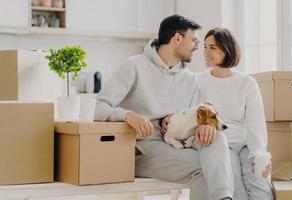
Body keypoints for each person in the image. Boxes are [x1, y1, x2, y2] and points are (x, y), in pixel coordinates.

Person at [95, 15, 234, 200]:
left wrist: (205, 126)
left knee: (218, 139)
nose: (196, 46)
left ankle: (225, 198)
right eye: (193, 40)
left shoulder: (189, 80)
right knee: (206, 167)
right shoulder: (134, 66)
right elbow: (98, 108)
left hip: (178, 144)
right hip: (141, 148)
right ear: (177, 38)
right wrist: (129, 115)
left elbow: (192, 120)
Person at [196, 27, 274, 199]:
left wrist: (260, 156)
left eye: (213, 48)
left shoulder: (247, 83)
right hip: (220, 146)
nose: (206, 52)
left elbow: (256, 124)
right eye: (205, 47)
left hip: (246, 146)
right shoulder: (198, 81)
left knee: (261, 186)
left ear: (227, 49)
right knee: (235, 188)